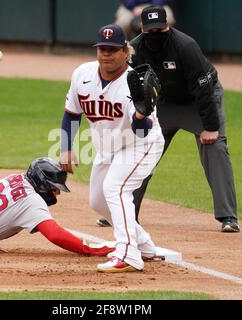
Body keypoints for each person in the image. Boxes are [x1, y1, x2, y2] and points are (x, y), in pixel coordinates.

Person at [104, 6, 240, 232]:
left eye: (160, 29)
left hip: (198, 102)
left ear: (168, 27)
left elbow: (203, 90)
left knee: (215, 147)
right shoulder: (135, 49)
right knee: (140, 149)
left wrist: (210, 127)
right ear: (142, 29)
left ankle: (228, 217)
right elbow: (128, 88)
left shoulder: (186, 46)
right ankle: (123, 210)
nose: (155, 34)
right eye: (150, 31)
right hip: (163, 104)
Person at [59, 23, 165, 272]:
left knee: (115, 187)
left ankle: (128, 255)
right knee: (98, 201)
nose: (106, 53)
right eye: (102, 48)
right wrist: (66, 147)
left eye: (113, 49)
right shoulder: (82, 74)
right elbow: (71, 114)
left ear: (125, 52)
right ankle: (145, 246)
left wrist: (140, 115)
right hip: (107, 149)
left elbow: (142, 130)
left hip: (141, 144)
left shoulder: (134, 82)